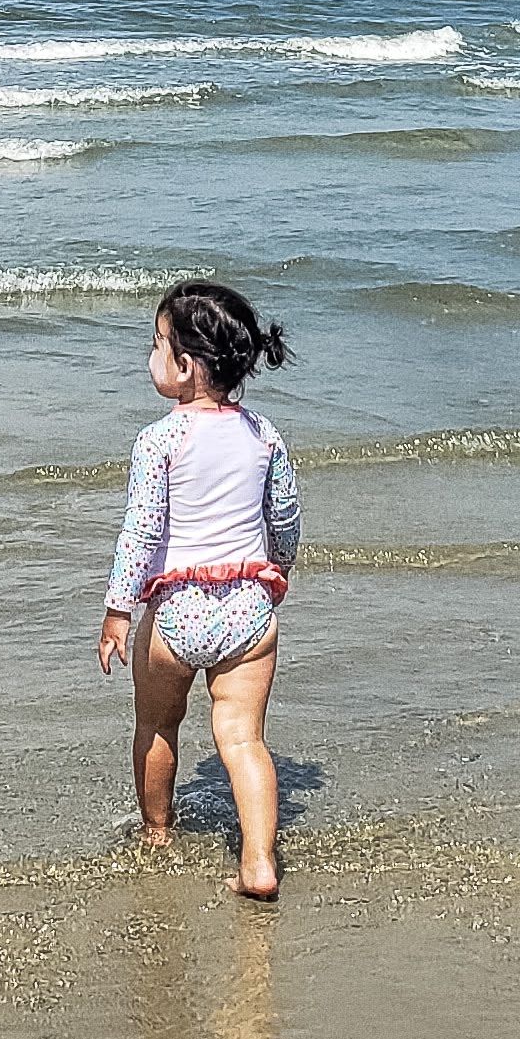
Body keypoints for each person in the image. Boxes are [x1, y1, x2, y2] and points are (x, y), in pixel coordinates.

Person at [96, 279, 301, 901]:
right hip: (248, 608)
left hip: (176, 612)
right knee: (243, 738)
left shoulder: (161, 439)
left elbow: (142, 530)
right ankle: (259, 861)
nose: (150, 356)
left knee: (157, 726)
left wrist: (117, 611)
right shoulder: (264, 435)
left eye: (157, 344)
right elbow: (285, 514)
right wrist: (279, 568)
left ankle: (157, 834)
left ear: (187, 368)